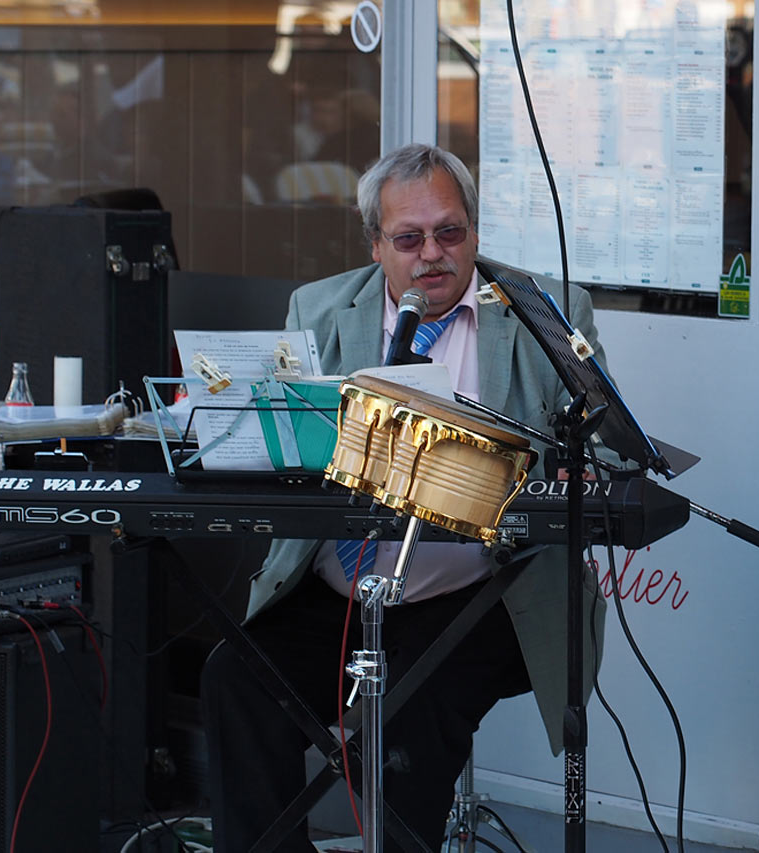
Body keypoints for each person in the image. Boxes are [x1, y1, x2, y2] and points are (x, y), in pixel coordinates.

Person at [200, 143, 607, 853]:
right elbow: (284, 444)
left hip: (487, 597)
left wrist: (581, 470)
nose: (432, 255)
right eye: (409, 238)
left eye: (450, 233)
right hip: (340, 594)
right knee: (236, 676)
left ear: (475, 233)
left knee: (408, 717)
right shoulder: (320, 309)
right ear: (376, 244)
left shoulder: (546, 312)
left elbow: (599, 445)